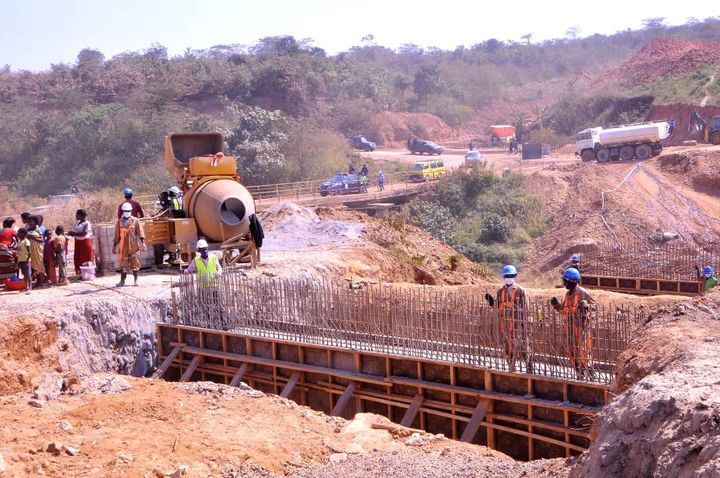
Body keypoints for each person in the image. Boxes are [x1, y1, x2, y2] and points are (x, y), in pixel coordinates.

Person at [485, 265, 532, 373]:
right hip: (506, 325)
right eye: (506, 276)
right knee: (507, 347)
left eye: (510, 276)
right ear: (504, 277)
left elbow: (526, 310)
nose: (508, 278)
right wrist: (492, 302)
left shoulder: (521, 291)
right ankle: (511, 368)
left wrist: (523, 323)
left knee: (524, 347)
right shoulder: (500, 291)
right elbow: (498, 306)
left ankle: (529, 367)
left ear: (515, 276)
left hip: (519, 325)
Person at [550, 268, 596, 379]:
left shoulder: (582, 293)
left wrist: (587, 306)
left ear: (571, 281)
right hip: (570, 329)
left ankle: (591, 374)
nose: (564, 283)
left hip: (581, 329)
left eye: (565, 281)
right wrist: (557, 305)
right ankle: (579, 373)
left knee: (583, 352)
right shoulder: (567, 295)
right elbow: (565, 310)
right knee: (571, 351)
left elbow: (595, 307)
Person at [183, 239, 225, 328]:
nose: (205, 250)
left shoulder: (213, 257)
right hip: (203, 288)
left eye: (206, 248)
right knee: (206, 307)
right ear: (199, 250)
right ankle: (208, 324)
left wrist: (219, 273)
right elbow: (189, 269)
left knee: (219, 305)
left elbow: (219, 268)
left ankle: (224, 323)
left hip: (214, 286)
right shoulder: (196, 260)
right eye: (202, 249)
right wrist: (185, 271)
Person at [113, 202, 146, 287]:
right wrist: (114, 246)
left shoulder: (136, 221)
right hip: (123, 246)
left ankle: (136, 280)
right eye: (125, 210)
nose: (127, 212)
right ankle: (122, 281)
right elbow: (117, 235)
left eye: (128, 210)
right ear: (123, 211)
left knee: (135, 263)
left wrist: (143, 243)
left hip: (134, 245)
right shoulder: (119, 222)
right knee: (123, 264)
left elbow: (140, 233)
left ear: (131, 211)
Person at [68, 209, 94, 276]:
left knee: (86, 258)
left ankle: (87, 274)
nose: (76, 216)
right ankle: (79, 274)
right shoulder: (77, 222)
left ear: (81, 215)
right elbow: (75, 231)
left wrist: (74, 234)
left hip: (85, 243)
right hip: (78, 242)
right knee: (78, 257)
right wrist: (71, 233)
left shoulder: (87, 223)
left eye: (77, 214)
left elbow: (84, 233)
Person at [26, 215, 46, 287]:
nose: (30, 223)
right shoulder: (28, 229)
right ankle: (36, 281)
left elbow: (41, 240)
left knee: (39, 265)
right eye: (29, 222)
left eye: (31, 222)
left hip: (37, 250)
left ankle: (40, 282)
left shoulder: (38, 230)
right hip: (31, 250)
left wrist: (33, 238)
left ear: (35, 222)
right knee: (33, 266)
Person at [16, 227, 32, 293]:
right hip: (21, 260)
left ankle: (30, 287)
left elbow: (29, 251)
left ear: (22, 234)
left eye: (19, 233)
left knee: (28, 274)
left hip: (26, 260)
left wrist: (28, 259)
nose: (17, 234)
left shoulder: (26, 241)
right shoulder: (20, 242)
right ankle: (26, 287)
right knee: (24, 274)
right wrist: (18, 261)